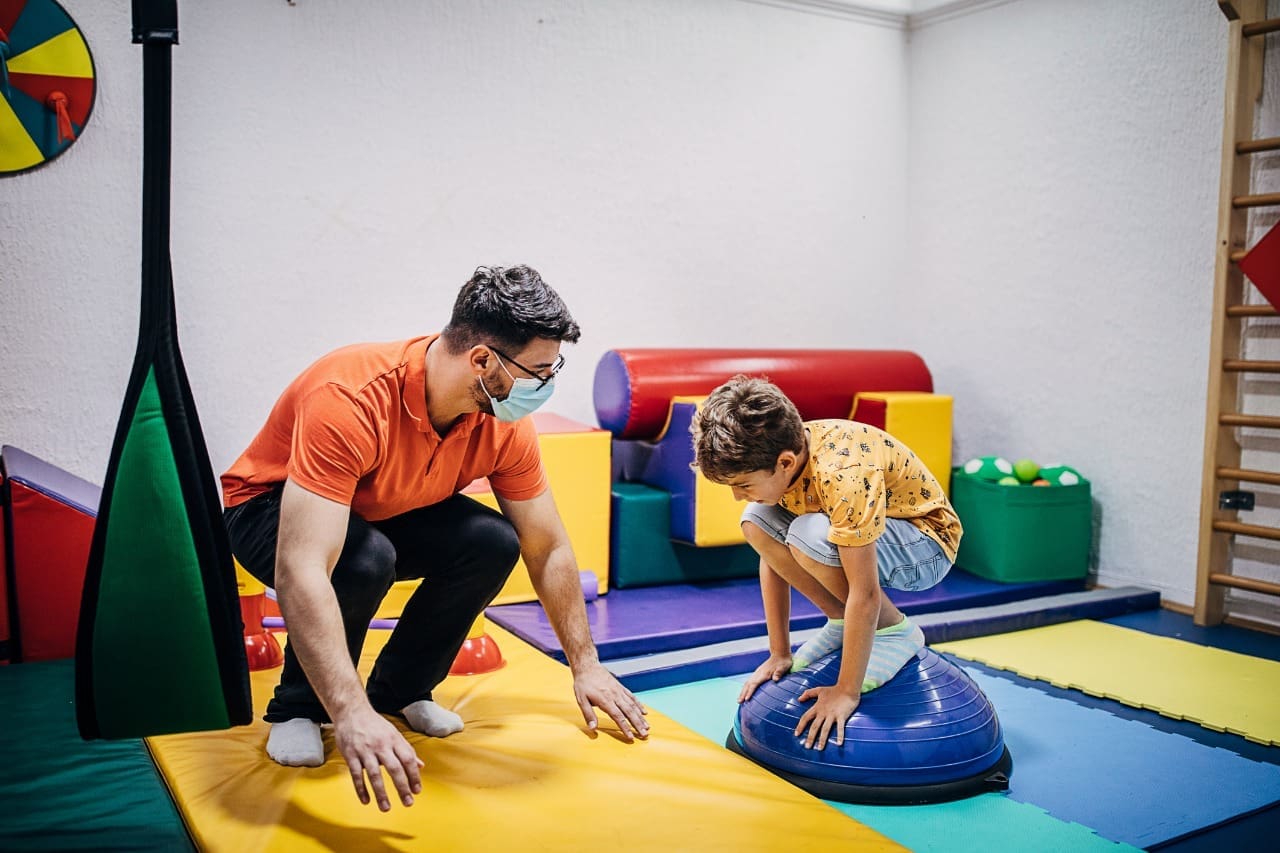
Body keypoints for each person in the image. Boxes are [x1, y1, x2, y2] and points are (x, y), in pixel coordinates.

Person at [221, 265, 648, 812]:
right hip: (267, 507)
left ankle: (399, 693)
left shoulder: (502, 422)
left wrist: (585, 664)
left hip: (377, 506)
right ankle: (301, 707)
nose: (547, 383)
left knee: (493, 540)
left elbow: (549, 546)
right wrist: (350, 713)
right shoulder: (350, 397)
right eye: (540, 370)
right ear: (483, 360)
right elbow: (302, 568)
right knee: (362, 559)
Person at [691, 375, 962, 752]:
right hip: (876, 538)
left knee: (809, 534)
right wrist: (779, 652)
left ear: (785, 463)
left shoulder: (843, 475)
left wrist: (846, 691)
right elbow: (771, 560)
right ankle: (839, 618)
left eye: (744, 485)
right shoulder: (786, 460)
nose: (737, 496)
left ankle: (896, 630)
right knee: (756, 521)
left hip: (927, 547)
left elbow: (865, 594)